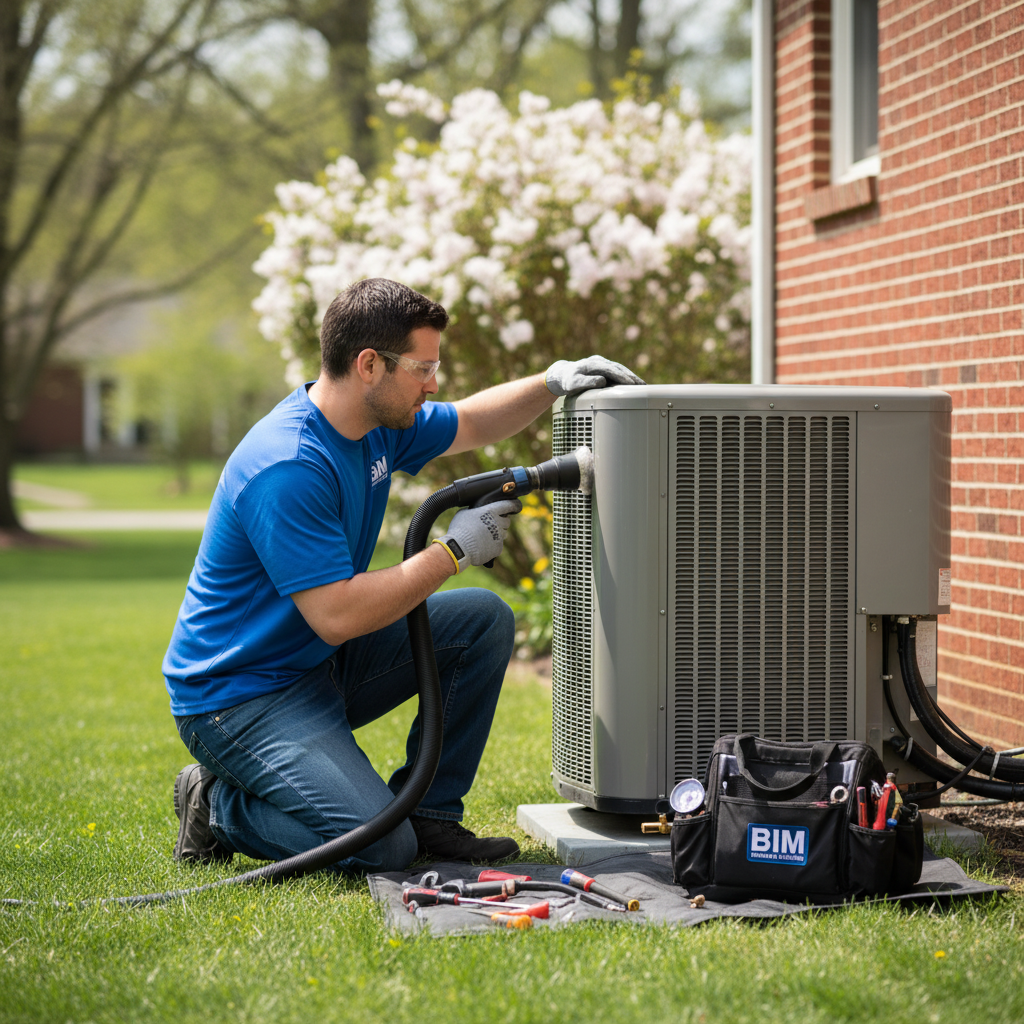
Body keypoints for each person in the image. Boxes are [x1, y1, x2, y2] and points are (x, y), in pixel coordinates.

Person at [165, 278, 643, 873]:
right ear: (369, 365)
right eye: (423, 368)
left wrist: (552, 380)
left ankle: (431, 815)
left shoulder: (378, 424)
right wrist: (452, 552)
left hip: (314, 662)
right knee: (382, 846)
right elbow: (338, 614)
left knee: (482, 621)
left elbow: (470, 422)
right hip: (240, 695)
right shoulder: (287, 465)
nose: (433, 384)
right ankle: (215, 807)